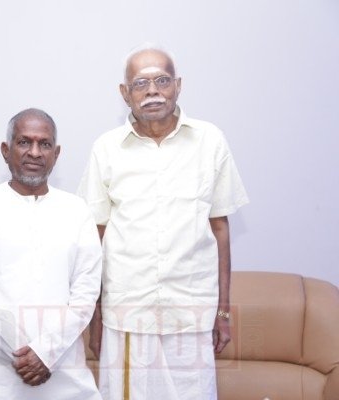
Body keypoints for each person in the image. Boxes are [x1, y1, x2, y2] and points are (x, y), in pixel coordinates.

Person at [77, 44, 249, 400]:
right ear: (125, 93)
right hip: (127, 315)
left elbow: (220, 229)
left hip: (191, 313)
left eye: (162, 80)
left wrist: (223, 312)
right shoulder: (106, 149)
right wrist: (96, 316)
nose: (152, 91)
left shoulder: (210, 141)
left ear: (178, 85)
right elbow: (95, 236)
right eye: (141, 83)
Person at [0, 108, 103, 399]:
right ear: (6, 150)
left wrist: (47, 353)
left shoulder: (77, 211)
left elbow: (86, 293)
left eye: (44, 144)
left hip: (65, 377)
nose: (35, 152)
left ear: (56, 154)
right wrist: (26, 355)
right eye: (24, 142)